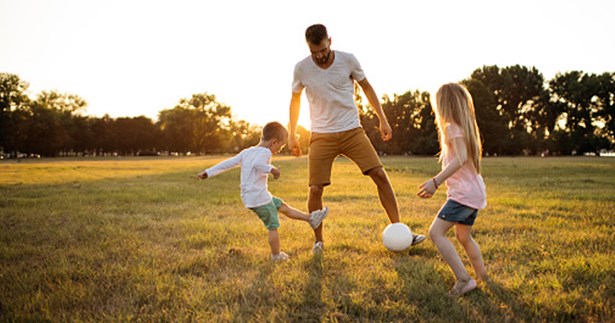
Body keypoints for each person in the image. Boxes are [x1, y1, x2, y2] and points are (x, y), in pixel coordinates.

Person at [288, 23, 425, 253]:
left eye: (322, 50)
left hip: (352, 130)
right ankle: (318, 241)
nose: (320, 56)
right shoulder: (301, 68)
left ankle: (400, 231)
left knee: (380, 175)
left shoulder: (348, 60)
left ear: (330, 41)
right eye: (314, 53)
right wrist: (291, 133)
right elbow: (295, 100)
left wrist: (382, 118)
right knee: (315, 190)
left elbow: (367, 88)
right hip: (321, 135)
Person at [197, 121, 329, 261]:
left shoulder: (247, 152)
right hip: (259, 198)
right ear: (274, 142)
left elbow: (228, 163)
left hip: (253, 196)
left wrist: (208, 172)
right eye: (281, 146)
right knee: (273, 225)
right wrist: (272, 169)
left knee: (281, 206)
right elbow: (257, 164)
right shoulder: (265, 152)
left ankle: (310, 219)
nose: (279, 149)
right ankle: (276, 255)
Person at [417, 83, 488, 296]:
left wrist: (435, 181)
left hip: (463, 195)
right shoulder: (464, 128)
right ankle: (483, 276)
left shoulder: (452, 128)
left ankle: (464, 280)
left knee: (436, 233)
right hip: (473, 193)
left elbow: (460, 159)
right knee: (464, 237)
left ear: (444, 106)